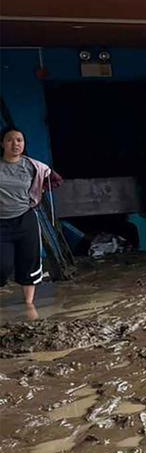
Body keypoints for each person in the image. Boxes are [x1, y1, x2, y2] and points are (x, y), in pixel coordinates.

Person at [1, 126, 61, 313]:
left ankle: (29, 306)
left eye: (19, 140)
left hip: (25, 220)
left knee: (29, 261)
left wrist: (39, 190)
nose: (15, 144)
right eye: (10, 140)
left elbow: (55, 180)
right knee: (2, 265)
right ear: (2, 143)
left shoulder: (33, 166)